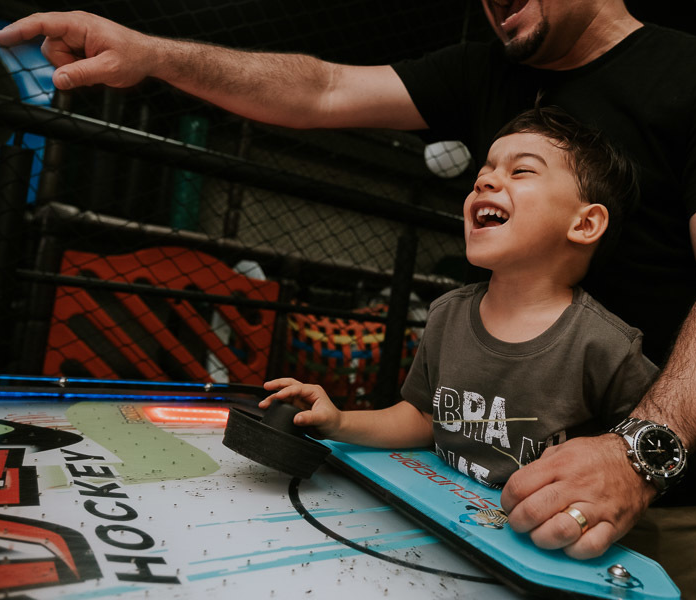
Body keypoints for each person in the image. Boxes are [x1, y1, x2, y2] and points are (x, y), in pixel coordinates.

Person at [0, 3, 696, 597]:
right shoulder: (484, 82)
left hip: (645, 505)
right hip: (468, 500)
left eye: (521, 171)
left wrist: (637, 456)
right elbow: (318, 90)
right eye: (491, 167)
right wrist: (153, 53)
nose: (492, 178)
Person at [263, 106, 657, 491]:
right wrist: (338, 421)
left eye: (520, 170)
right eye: (484, 172)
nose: (484, 182)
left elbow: (645, 452)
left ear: (585, 224)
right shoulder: (446, 314)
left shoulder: (607, 346)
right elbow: (422, 418)